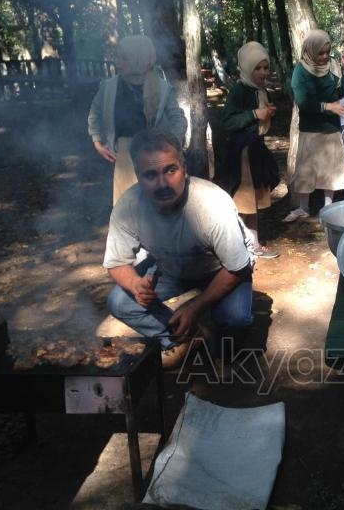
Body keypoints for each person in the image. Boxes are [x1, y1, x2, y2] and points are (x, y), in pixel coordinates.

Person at [104, 130, 255, 370]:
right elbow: (116, 262)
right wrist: (135, 284)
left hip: (222, 269)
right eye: (151, 175)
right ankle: (184, 337)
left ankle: (226, 351)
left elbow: (237, 266)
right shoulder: (128, 206)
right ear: (138, 176)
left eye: (170, 170)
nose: (163, 183)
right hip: (171, 267)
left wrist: (194, 307)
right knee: (119, 301)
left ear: (184, 168)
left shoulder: (211, 204)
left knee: (234, 317)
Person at [88, 35, 187, 205]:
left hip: (155, 154)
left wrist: (171, 147)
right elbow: (95, 113)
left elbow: (178, 119)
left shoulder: (162, 88)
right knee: (127, 207)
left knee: (156, 207)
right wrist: (97, 140)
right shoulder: (109, 87)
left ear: (139, 59)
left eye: (124, 58)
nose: (117, 62)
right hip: (125, 153)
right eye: (117, 57)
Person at [220, 41, 280, 259]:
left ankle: (252, 241)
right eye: (258, 68)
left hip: (256, 148)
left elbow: (259, 116)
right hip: (243, 152)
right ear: (247, 68)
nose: (263, 72)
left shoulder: (260, 90)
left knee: (254, 198)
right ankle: (240, 243)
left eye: (266, 67)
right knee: (244, 199)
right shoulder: (239, 90)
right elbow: (228, 121)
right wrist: (255, 114)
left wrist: (267, 113)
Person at [285, 29, 344, 222]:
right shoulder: (300, 71)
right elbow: (303, 102)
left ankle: (327, 206)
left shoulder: (331, 67)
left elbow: (339, 92)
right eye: (320, 53)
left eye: (327, 52)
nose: (324, 57)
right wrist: (329, 106)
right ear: (310, 50)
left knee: (330, 167)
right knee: (306, 168)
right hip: (310, 129)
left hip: (330, 127)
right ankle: (303, 207)